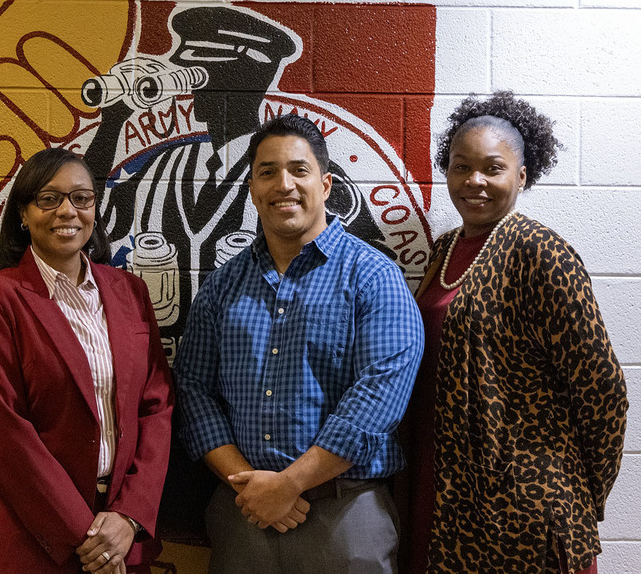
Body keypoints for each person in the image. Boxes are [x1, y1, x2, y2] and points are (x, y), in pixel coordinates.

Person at [175, 114, 424, 573]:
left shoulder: (373, 277)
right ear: (252, 189)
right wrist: (253, 488)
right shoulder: (222, 286)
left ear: (326, 185)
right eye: (267, 172)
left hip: (346, 515)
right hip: (241, 512)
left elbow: (379, 396)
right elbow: (194, 390)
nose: (283, 184)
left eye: (298, 170)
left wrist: (289, 484)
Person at [405, 91, 628, 574]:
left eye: (492, 168)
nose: (474, 181)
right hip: (444, 490)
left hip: (520, 512)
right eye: (460, 166)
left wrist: (574, 493)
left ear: (522, 176)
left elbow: (605, 393)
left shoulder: (539, 250)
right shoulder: (443, 251)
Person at [0, 148, 174, 574]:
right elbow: (4, 430)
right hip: (25, 544)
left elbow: (157, 407)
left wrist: (129, 518)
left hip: (120, 538)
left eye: (81, 198)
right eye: (49, 199)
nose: (67, 211)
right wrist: (88, 538)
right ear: (23, 212)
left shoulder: (131, 291)